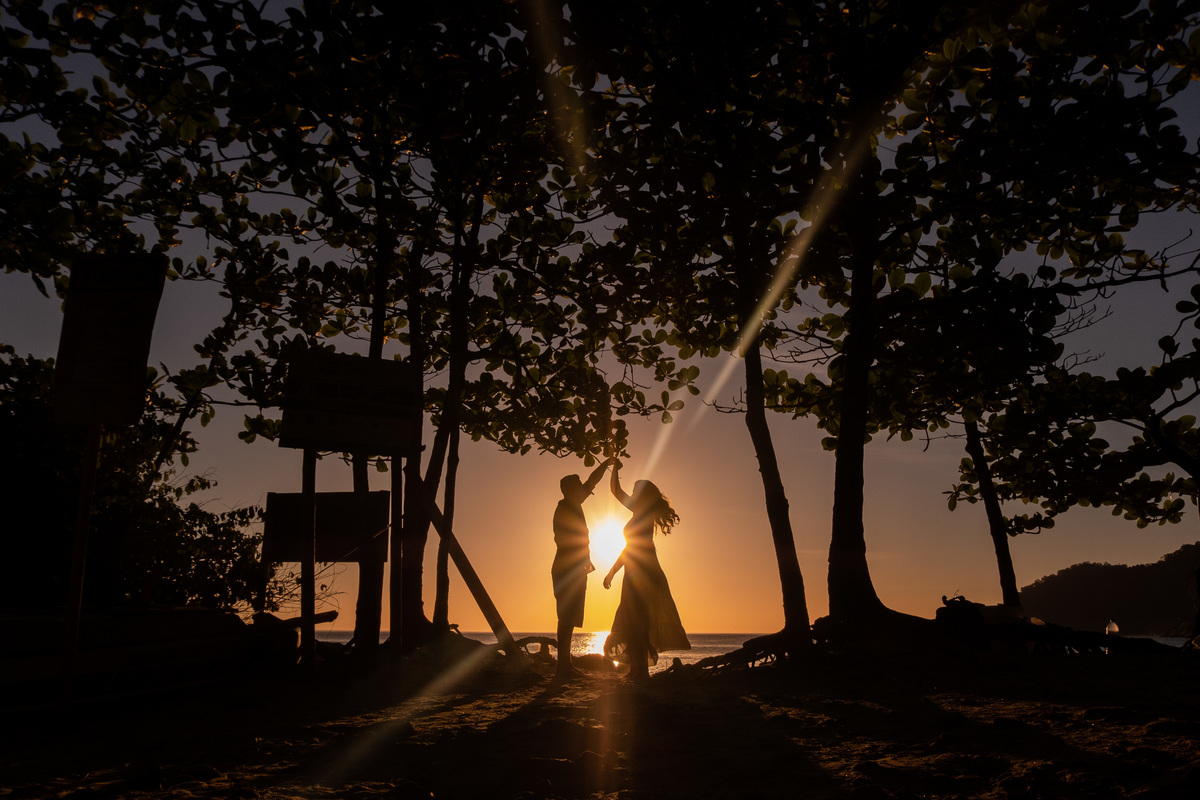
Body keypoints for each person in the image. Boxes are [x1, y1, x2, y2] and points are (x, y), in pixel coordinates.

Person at [603, 461, 690, 682]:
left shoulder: (641, 512)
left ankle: (640, 671)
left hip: (643, 572)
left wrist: (615, 467)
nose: (631, 494)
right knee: (634, 619)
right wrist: (613, 572)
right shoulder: (640, 513)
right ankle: (637, 669)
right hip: (636, 571)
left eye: (634, 491)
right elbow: (629, 548)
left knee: (638, 620)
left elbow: (615, 491)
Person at [552, 457, 614, 682]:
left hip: (574, 567)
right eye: (579, 488)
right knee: (566, 616)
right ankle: (562, 667)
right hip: (567, 568)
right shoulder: (565, 508)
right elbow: (567, 541)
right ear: (570, 490)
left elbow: (591, 482)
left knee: (570, 616)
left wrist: (606, 463)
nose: (584, 491)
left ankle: (565, 665)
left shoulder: (573, 504)